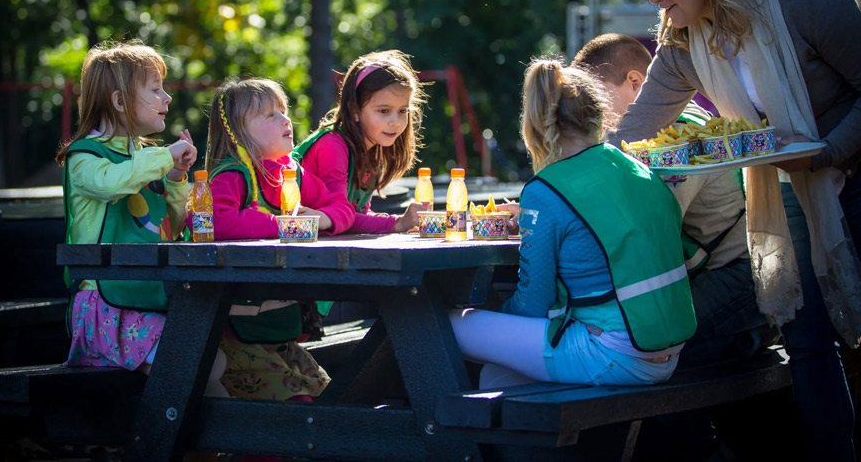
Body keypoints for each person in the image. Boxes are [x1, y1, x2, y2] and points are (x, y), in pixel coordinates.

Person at [615, 0, 861, 461]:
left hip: (858, 171)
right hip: (792, 190)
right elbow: (632, 130)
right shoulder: (682, 37)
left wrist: (829, 154)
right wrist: (564, 174)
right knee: (806, 342)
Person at [449, 58, 696, 389]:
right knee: (497, 380)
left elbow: (533, 303)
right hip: (667, 354)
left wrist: (495, 311)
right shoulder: (637, 167)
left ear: (537, 124)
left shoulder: (547, 188)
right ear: (600, 117)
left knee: (446, 324)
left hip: (611, 350)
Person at [574, 33, 769, 363]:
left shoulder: (676, 133)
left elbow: (643, 229)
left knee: (648, 342)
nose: (597, 118)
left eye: (599, 103)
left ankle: (744, 342)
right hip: (708, 274)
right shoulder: (649, 134)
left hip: (739, 278)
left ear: (636, 82)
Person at [57, 40, 226, 398]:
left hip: (143, 298)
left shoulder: (146, 158)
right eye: (155, 89)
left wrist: (177, 180)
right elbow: (111, 185)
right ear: (119, 101)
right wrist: (165, 156)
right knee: (199, 366)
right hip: (101, 307)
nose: (166, 97)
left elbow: (171, 228)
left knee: (214, 362)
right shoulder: (84, 157)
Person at [205, 77, 355, 403]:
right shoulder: (234, 174)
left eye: (283, 111)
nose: (285, 120)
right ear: (237, 131)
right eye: (270, 115)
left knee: (331, 400)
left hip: (280, 333)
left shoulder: (291, 173)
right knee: (293, 412)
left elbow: (344, 208)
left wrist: (321, 218)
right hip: (236, 335)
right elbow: (216, 221)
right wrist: (282, 224)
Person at [294, 50, 431, 233]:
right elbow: (341, 215)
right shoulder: (333, 145)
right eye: (383, 111)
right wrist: (396, 224)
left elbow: (358, 215)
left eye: (403, 111)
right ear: (355, 111)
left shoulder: (372, 150)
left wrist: (401, 222)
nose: (395, 121)